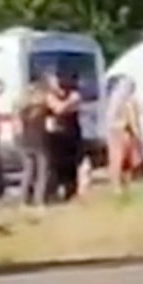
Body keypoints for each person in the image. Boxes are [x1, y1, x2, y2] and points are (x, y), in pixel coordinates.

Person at [45, 68, 84, 203]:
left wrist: (68, 104)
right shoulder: (50, 95)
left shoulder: (74, 95)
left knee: (72, 163)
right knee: (57, 164)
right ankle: (58, 191)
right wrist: (69, 103)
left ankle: (71, 191)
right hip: (57, 134)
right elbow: (58, 109)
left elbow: (65, 108)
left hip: (72, 132)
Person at [15, 74, 52, 206]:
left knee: (28, 171)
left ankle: (23, 201)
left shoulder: (23, 106)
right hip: (39, 141)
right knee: (42, 171)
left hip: (25, 140)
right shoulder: (42, 106)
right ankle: (39, 200)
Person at [108, 78, 143, 193]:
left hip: (114, 132)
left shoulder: (114, 99)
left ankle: (118, 186)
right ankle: (123, 187)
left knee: (118, 161)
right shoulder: (129, 101)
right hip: (124, 133)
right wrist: (139, 136)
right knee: (125, 160)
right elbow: (133, 120)